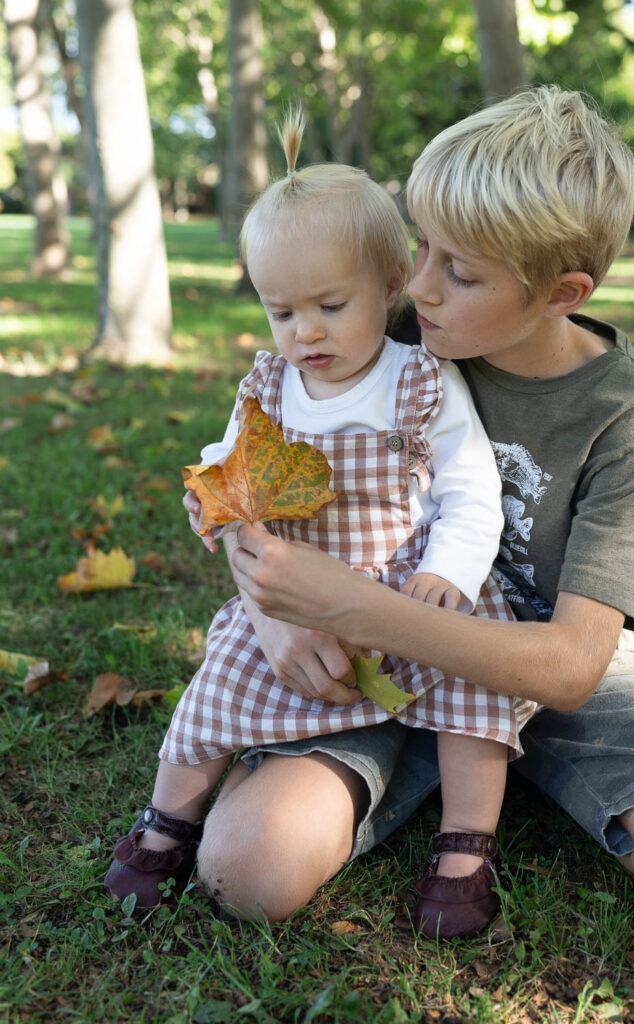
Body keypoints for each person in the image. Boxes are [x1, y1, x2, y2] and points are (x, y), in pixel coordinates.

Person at [195, 85, 634, 937]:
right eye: (422, 248)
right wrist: (276, 613)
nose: (419, 287)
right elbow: (247, 477)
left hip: (542, 666)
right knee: (244, 871)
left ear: (560, 291)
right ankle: (410, 758)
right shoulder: (379, 332)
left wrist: (357, 605)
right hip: (368, 662)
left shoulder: (628, 420)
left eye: (459, 272)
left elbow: (573, 667)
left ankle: (490, 769)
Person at [103, 110, 540, 938]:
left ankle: (465, 845)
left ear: (388, 287)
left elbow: (471, 489)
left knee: (476, 690)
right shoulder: (267, 389)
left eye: (330, 306)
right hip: (297, 599)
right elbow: (229, 470)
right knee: (217, 687)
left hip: (411, 592)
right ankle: (167, 823)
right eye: (281, 311)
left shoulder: (422, 383)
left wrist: (447, 571)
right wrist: (219, 506)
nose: (304, 332)